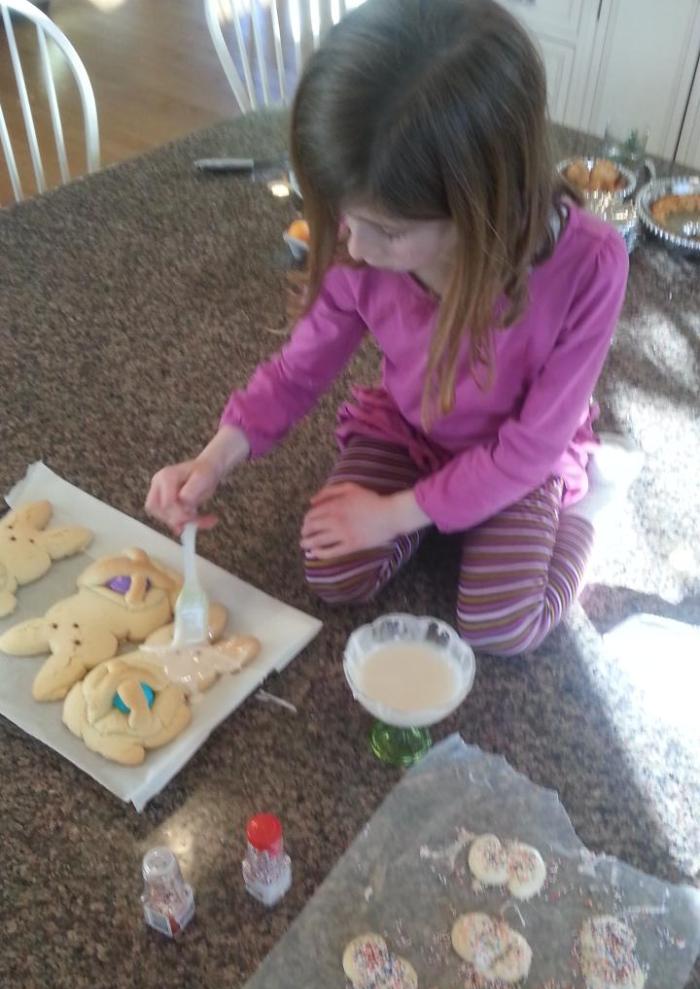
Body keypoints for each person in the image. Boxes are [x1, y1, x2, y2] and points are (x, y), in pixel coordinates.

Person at [146, 0, 633, 656]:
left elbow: (528, 450)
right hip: (411, 430)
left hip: (522, 457)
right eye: (344, 216)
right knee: (330, 572)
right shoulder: (362, 244)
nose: (353, 245)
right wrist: (214, 458)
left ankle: (584, 512)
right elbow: (296, 372)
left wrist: (395, 514)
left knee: (500, 626)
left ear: (481, 205)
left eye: (388, 230)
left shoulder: (592, 264)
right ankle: (443, 510)